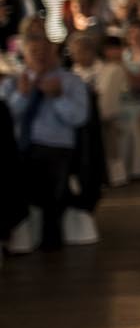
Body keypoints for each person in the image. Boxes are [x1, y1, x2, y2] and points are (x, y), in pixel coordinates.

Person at [2, 34, 89, 250]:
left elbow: (79, 117)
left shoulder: (70, 81)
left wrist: (58, 96)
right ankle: (14, 235)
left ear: (54, 53)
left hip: (56, 146)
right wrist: (22, 96)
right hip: (18, 148)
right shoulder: (14, 82)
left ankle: (51, 236)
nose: (40, 58)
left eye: (44, 52)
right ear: (25, 56)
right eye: (34, 53)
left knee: (51, 178)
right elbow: (4, 119)